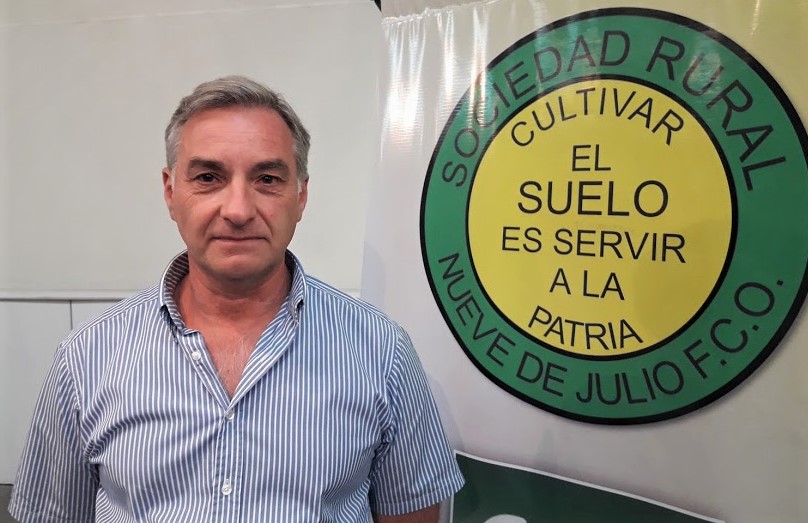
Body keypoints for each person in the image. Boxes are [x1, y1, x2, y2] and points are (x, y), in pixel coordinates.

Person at [9, 76, 464, 522]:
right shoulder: (87, 358)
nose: (239, 210)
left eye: (267, 178)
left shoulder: (382, 353)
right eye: (209, 177)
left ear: (301, 195)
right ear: (171, 192)